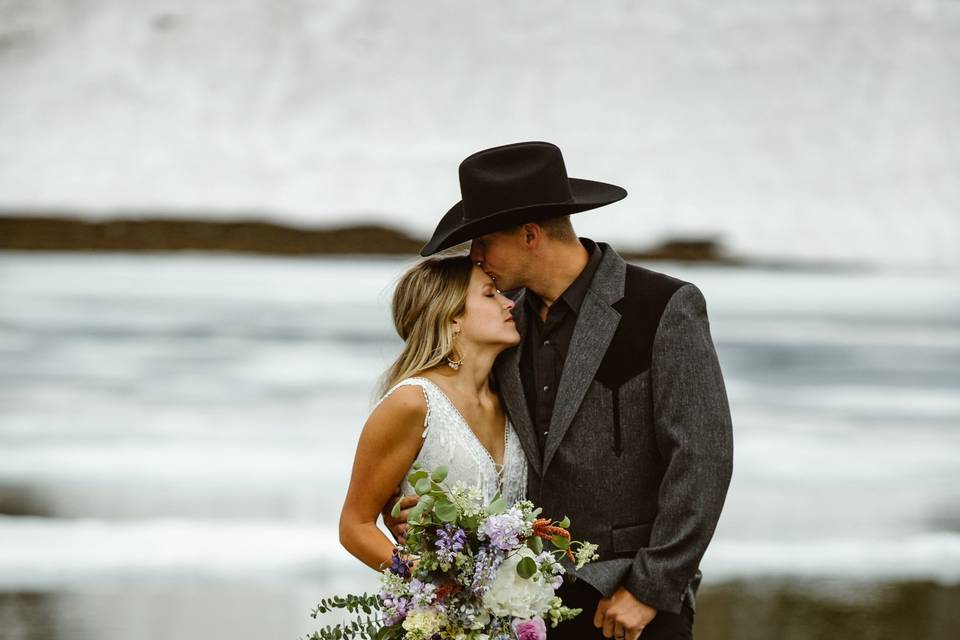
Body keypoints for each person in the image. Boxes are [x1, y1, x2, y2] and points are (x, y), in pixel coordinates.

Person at [384, 141, 734, 640]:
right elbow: (454, 419)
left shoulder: (664, 306)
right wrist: (421, 506)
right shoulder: (501, 321)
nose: (475, 259)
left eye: (482, 241)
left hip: (631, 604)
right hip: (518, 606)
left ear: (529, 235)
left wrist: (651, 588)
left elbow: (704, 459)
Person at [338, 254, 529, 572]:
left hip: (516, 616)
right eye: (489, 294)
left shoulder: (513, 402)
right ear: (453, 317)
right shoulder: (413, 402)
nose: (509, 304)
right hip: (438, 613)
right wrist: (419, 573)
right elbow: (354, 527)